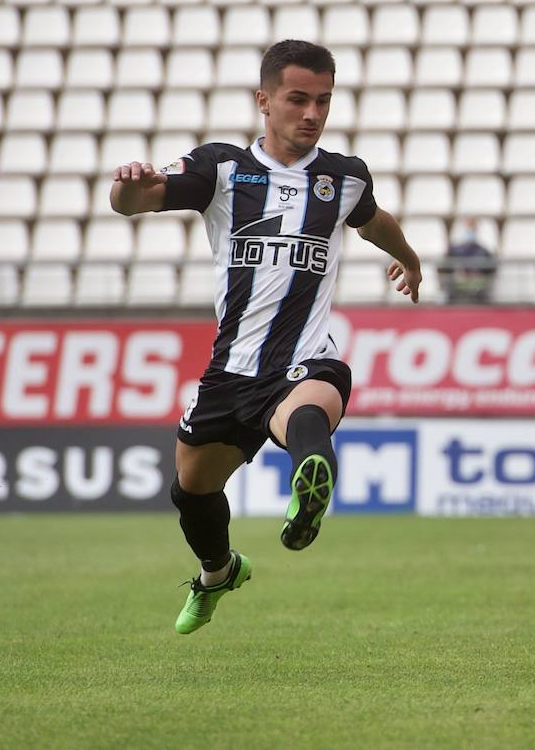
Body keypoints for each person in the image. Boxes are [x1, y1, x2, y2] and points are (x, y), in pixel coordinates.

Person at [109, 40, 423, 635]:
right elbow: (136, 201)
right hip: (231, 372)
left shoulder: (343, 178)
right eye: (298, 99)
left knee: (307, 411)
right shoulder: (221, 169)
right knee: (192, 492)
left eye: (323, 101)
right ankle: (218, 572)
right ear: (264, 100)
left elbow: (374, 219)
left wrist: (409, 259)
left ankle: (309, 494)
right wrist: (127, 183)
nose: (312, 113)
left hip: (305, 360)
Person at [441, 218, 495, 304]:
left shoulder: (483, 250)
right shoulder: (455, 249)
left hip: (477, 283)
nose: (470, 230)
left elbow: (490, 268)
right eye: (469, 226)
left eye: (472, 226)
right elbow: (447, 264)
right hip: (459, 280)